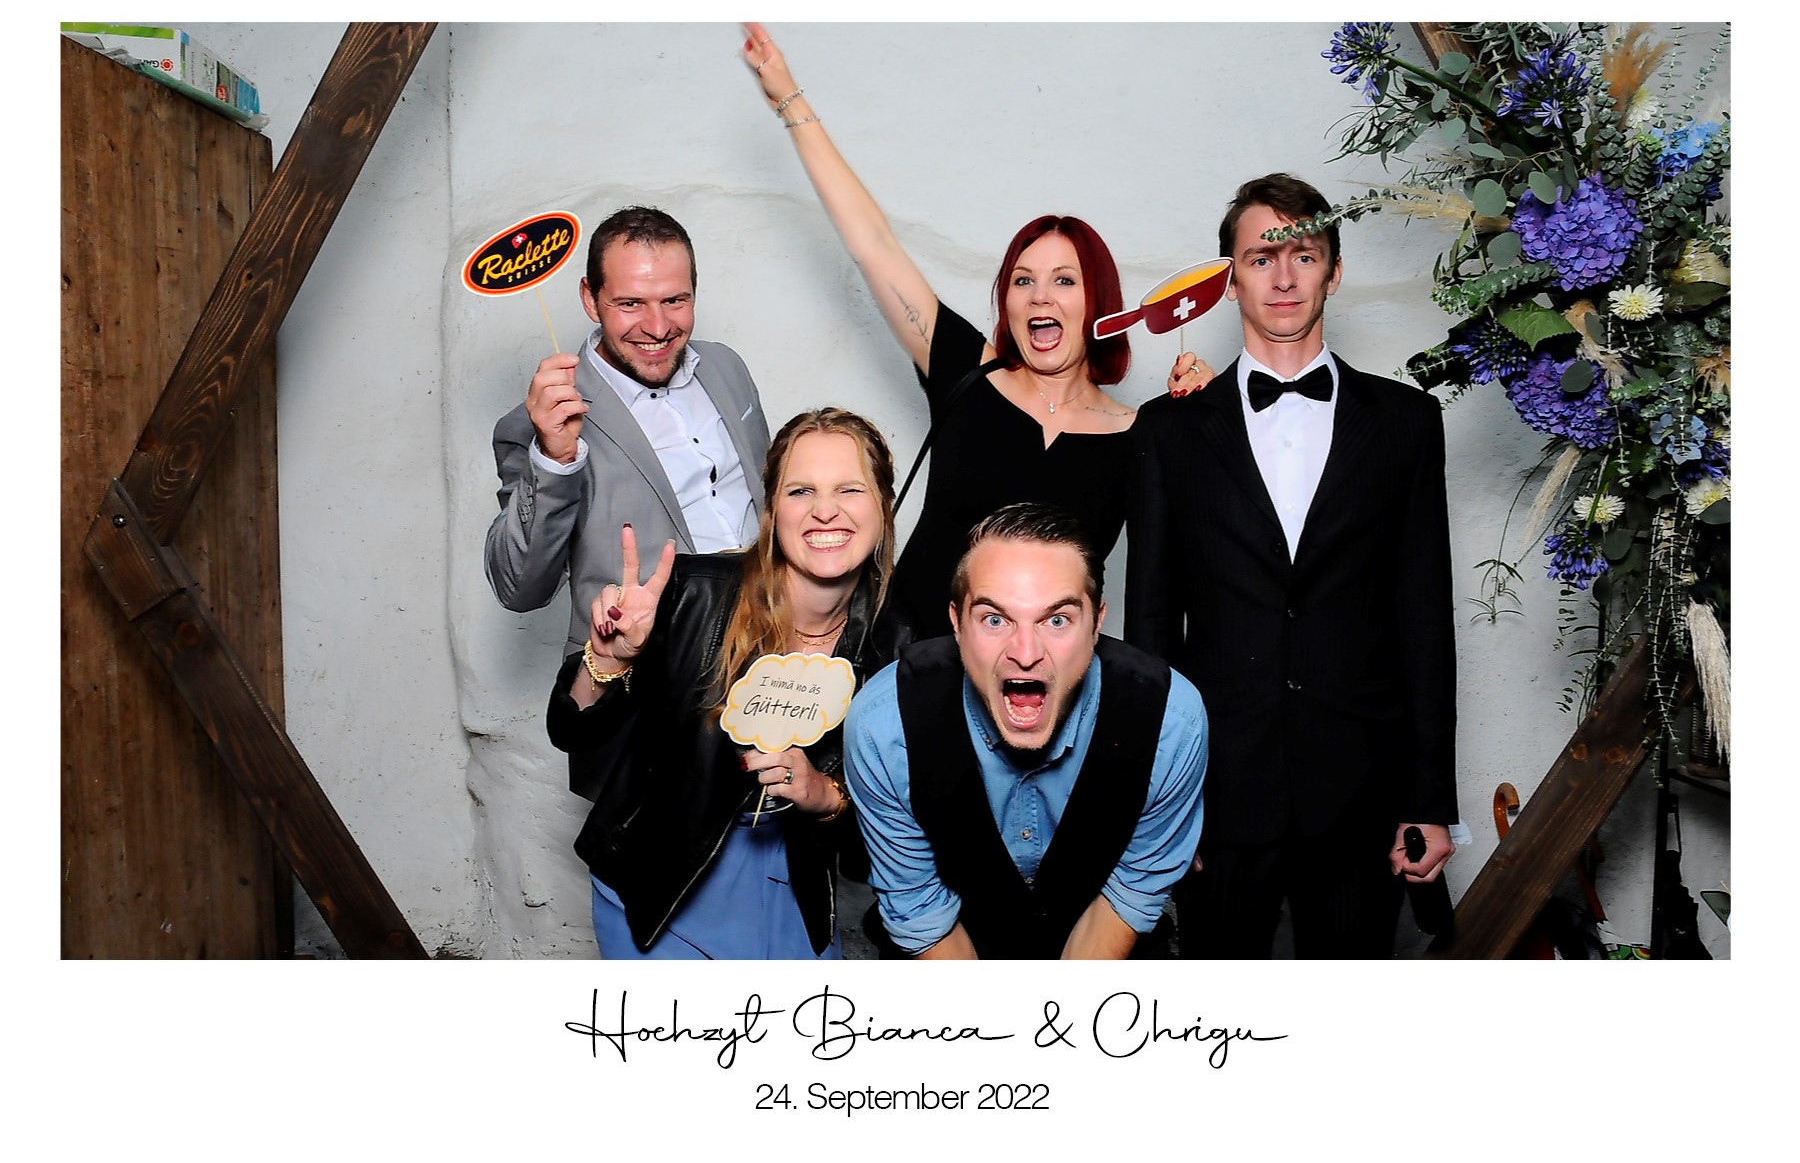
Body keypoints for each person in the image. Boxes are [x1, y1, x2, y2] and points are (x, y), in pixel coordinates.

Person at [1125, 173, 1458, 959]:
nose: (1282, 278)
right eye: (1260, 258)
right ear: (1229, 279)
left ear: (1333, 272)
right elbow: (1150, 634)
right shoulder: (1168, 432)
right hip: (1215, 793)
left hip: (1363, 795)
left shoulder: (1406, 423)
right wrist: (1161, 805)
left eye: (1303, 255)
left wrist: (1430, 798)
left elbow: (1424, 620)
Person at [740, 24, 1140, 640]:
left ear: (1098, 302)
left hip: (1043, 678)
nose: (1040, 296)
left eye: (1064, 280)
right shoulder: (967, 372)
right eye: (1023, 280)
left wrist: (1203, 396)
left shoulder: (1141, 436)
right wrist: (789, 99)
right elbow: (874, 244)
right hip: (911, 664)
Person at [546, 408, 909, 959]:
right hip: (660, 890)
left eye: (850, 489)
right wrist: (609, 659)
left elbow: (893, 834)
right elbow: (573, 732)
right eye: (801, 491)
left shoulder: (898, 644)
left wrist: (825, 796)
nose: (825, 510)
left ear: (883, 505)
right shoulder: (694, 594)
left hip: (796, 890)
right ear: (772, 510)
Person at [844, 503, 1207, 959]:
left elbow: (1133, 890)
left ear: (1096, 622)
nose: (1026, 652)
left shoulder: (1171, 721)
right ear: (957, 623)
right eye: (995, 619)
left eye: (1057, 620)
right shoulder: (883, 725)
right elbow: (918, 908)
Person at [485, 205, 770, 656]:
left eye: (674, 301)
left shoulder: (725, 366)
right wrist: (555, 459)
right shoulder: (539, 423)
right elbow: (519, 589)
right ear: (590, 298)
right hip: (645, 669)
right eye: (630, 303)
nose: (657, 328)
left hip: (773, 643)